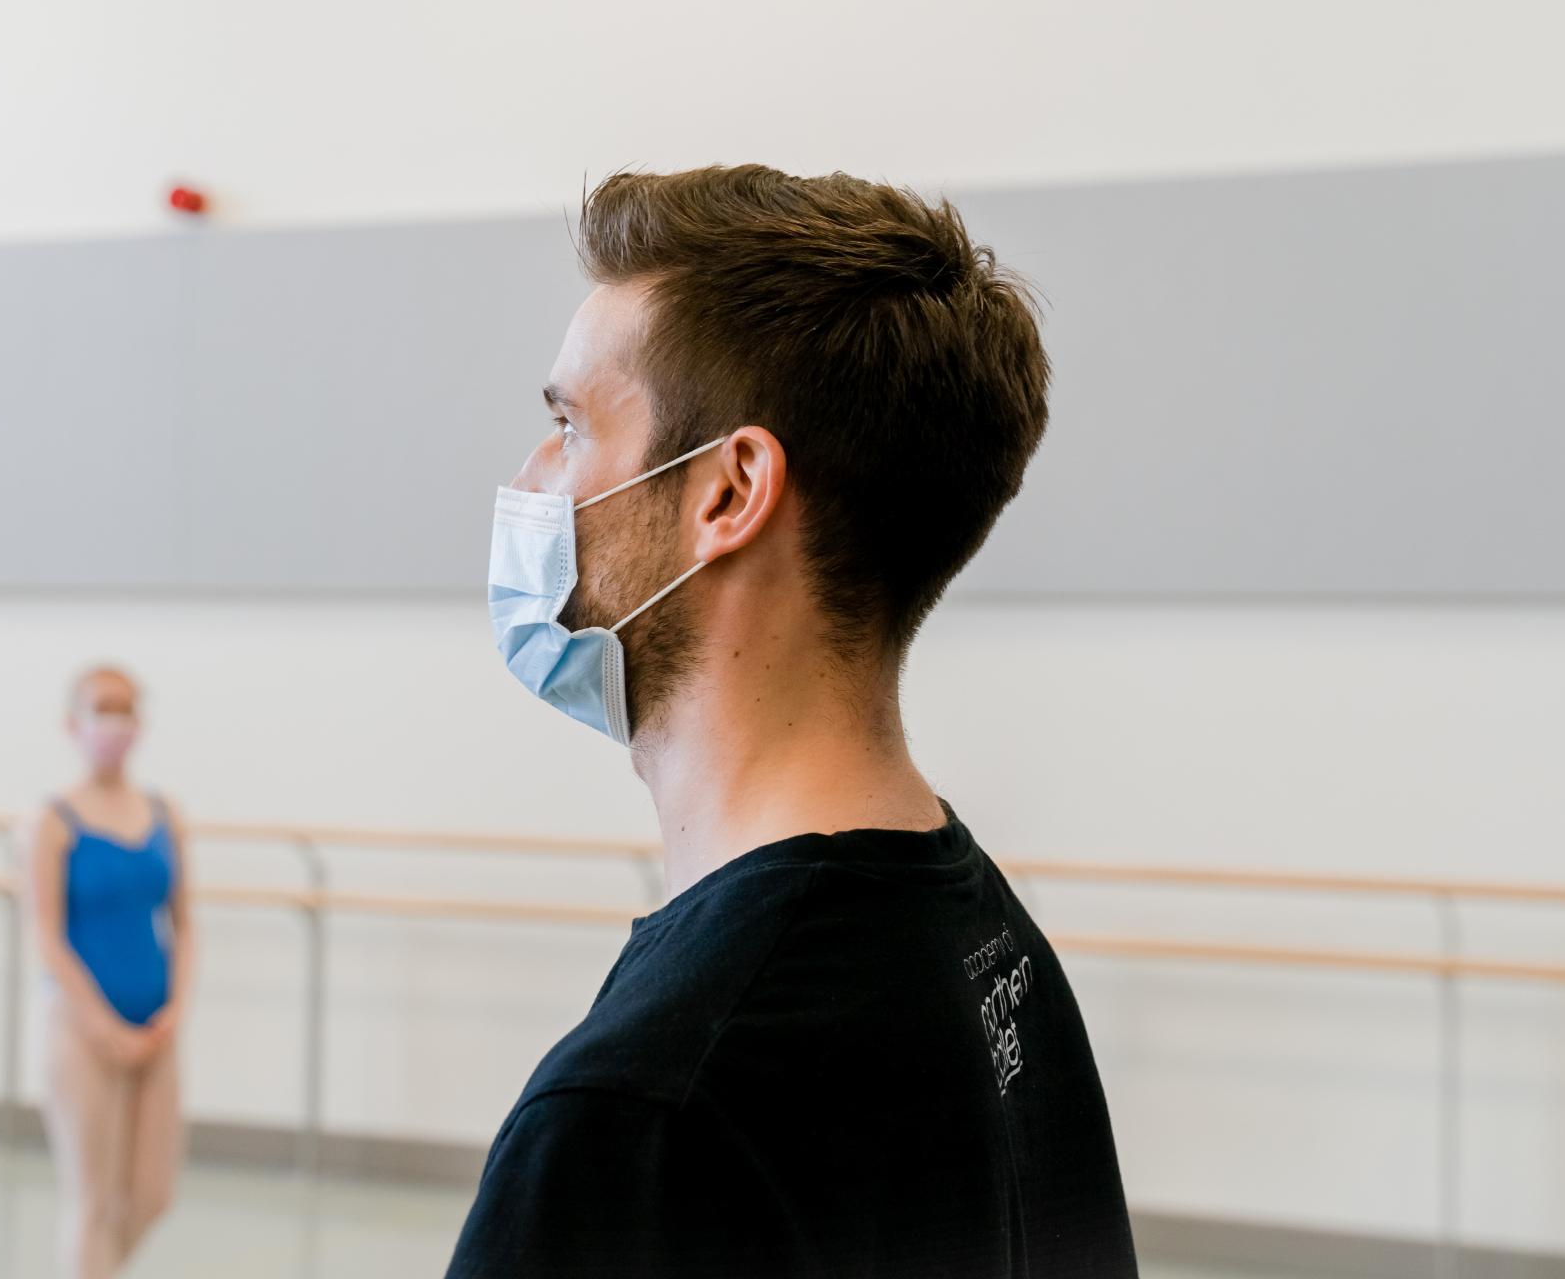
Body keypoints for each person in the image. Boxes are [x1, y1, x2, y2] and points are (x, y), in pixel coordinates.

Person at [451, 166, 1137, 1277]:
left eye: (569, 426)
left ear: (728, 492)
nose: (533, 479)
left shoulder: (646, 1106)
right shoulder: (988, 943)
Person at [23, 665, 194, 1279]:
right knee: (94, 1201)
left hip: (154, 1026)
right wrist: (102, 1029)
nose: (114, 722)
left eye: (125, 709)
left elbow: (184, 923)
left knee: (151, 1197)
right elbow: (46, 937)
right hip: (79, 1030)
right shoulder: (52, 823)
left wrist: (173, 1010)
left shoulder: (163, 814)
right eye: (101, 708)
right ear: (75, 723)